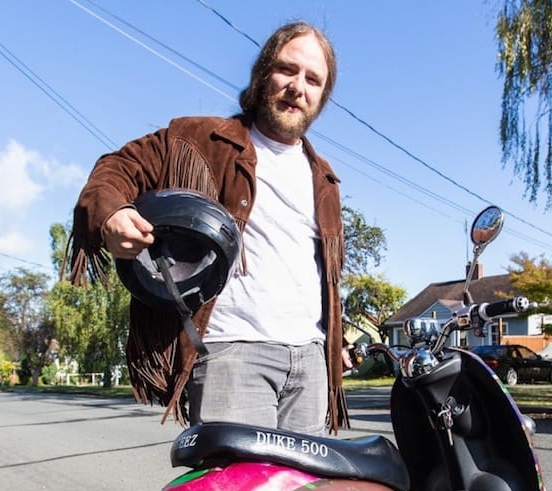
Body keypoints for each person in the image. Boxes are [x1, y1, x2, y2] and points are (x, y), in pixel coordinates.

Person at [68, 21, 350, 435]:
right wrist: (111, 213)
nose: (297, 86)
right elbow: (116, 169)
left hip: (309, 362)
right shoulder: (198, 138)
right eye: (287, 70)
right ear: (262, 75)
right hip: (234, 351)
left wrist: (333, 341)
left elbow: (322, 276)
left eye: (312, 80)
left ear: (321, 97)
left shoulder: (323, 179)